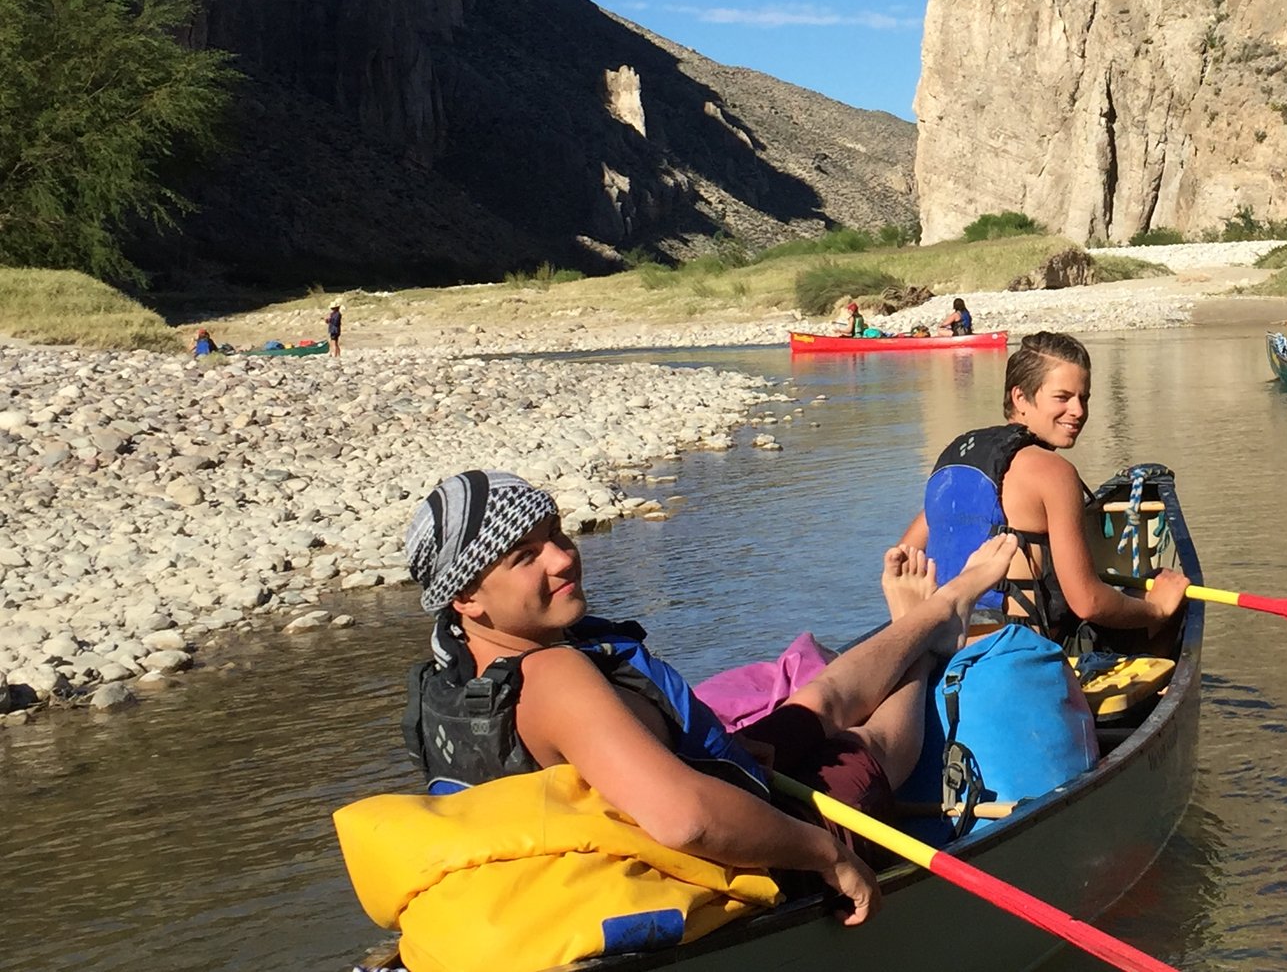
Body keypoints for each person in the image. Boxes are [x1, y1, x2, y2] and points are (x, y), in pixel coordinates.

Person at [402, 468, 1019, 927]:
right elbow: (686, 818)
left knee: (816, 702)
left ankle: (931, 614)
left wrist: (711, 749)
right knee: (868, 745)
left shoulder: (449, 681)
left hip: (693, 803)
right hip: (740, 853)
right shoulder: (554, 675)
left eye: (557, 534)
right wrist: (826, 853)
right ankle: (933, 644)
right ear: (466, 598)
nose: (565, 558)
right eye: (525, 555)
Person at [900, 331, 1189, 643]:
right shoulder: (1054, 472)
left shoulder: (957, 457)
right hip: (1015, 652)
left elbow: (903, 556)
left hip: (940, 643)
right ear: (1020, 397)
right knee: (1168, 599)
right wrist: (1158, 608)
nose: (1078, 411)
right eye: (1062, 398)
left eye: (1084, 398)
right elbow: (1088, 602)